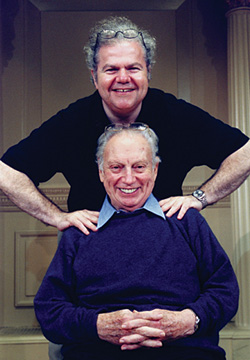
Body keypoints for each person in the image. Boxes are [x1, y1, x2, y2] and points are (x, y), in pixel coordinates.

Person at [0, 16, 250, 235]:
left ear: (148, 72)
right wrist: (57, 216)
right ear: (93, 76)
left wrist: (200, 198)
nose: (123, 78)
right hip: (89, 247)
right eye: (111, 69)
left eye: (133, 68)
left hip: (166, 245)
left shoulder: (176, 115)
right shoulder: (71, 123)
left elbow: (244, 154)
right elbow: (6, 173)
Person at [34, 124, 239, 360]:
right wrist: (97, 325)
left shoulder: (186, 220)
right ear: (101, 173)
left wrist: (188, 320)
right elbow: (49, 310)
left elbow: (225, 291)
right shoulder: (80, 231)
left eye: (139, 167)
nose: (129, 178)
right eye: (116, 167)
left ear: (154, 170)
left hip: (186, 352)